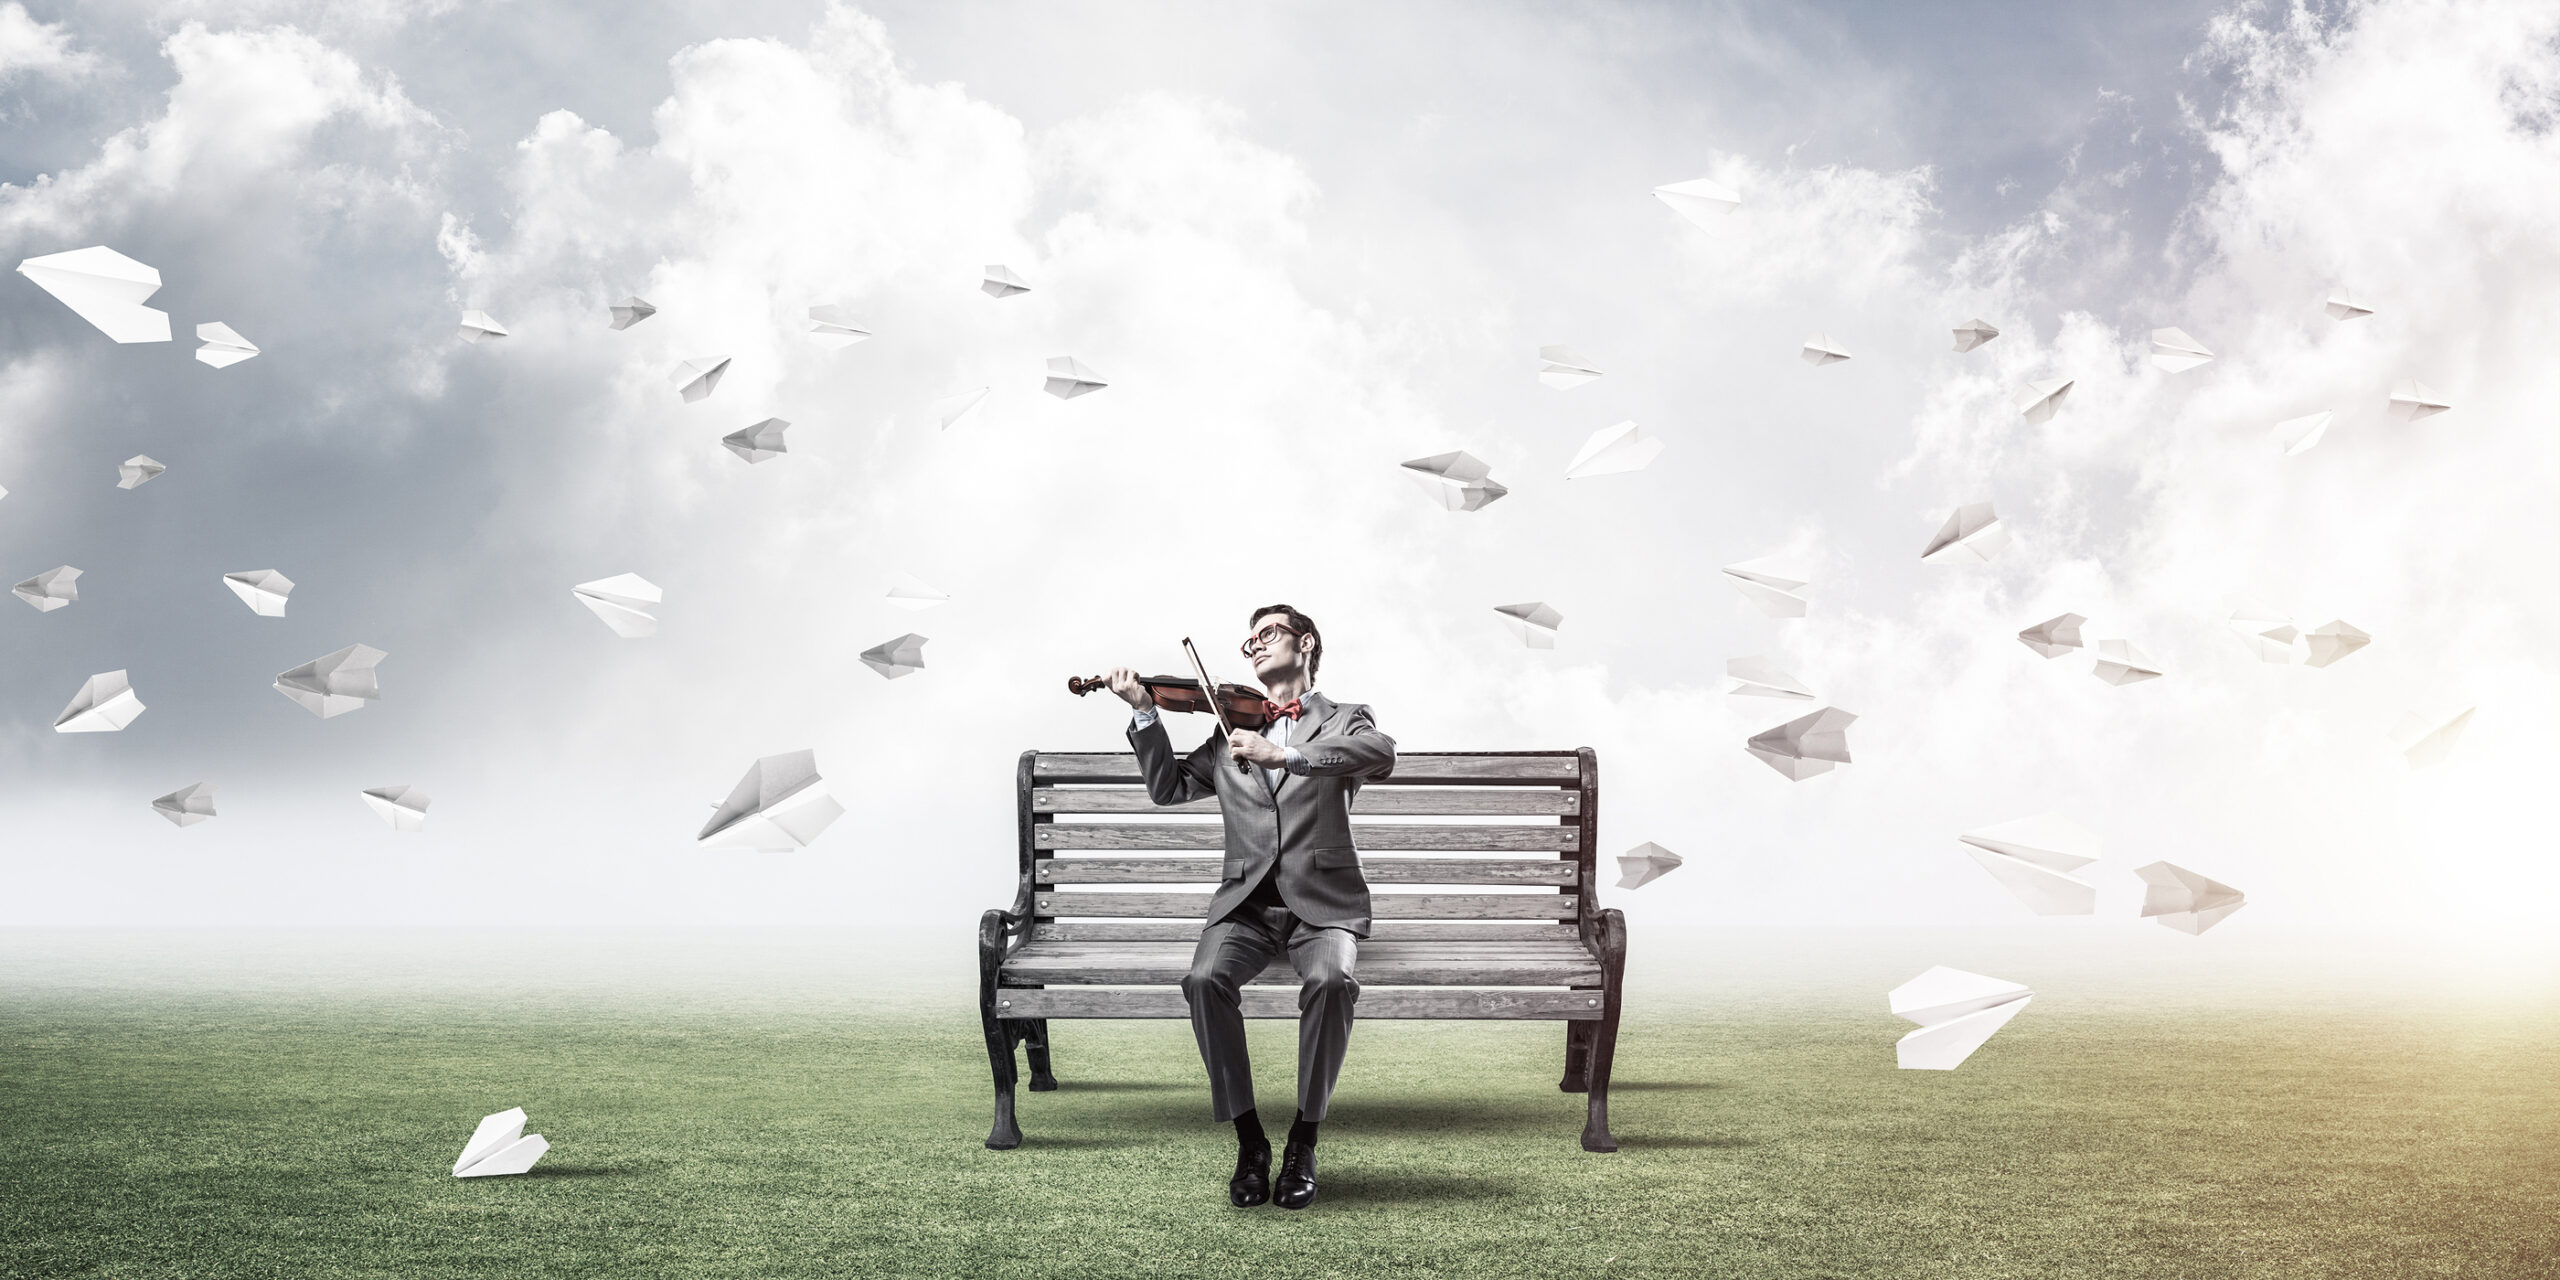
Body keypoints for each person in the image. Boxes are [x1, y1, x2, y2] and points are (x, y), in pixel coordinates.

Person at [1101, 604, 1396, 1210]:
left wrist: (1283, 755)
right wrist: (1144, 711)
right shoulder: (1225, 731)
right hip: (1247, 903)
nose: (1255, 645)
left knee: (1333, 980)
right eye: (1248, 641)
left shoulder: (1346, 718)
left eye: (1268, 634)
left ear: (1305, 642)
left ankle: (1304, 1141)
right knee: (1203, 979)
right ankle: (1250, 1140)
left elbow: (1380, 754)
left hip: (1322, 903)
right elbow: (1168, 789)